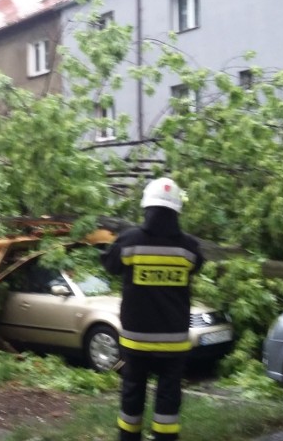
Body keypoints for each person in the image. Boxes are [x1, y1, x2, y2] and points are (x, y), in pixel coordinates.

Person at [101, 177, 204, 441]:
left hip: (136, 339)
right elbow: (197, 265)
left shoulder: (130, 240)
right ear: (176, 210)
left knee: (133, 391)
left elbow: (110, 265)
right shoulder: (189, 247)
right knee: (169, 396)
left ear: (147, 207)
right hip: (174, 341)